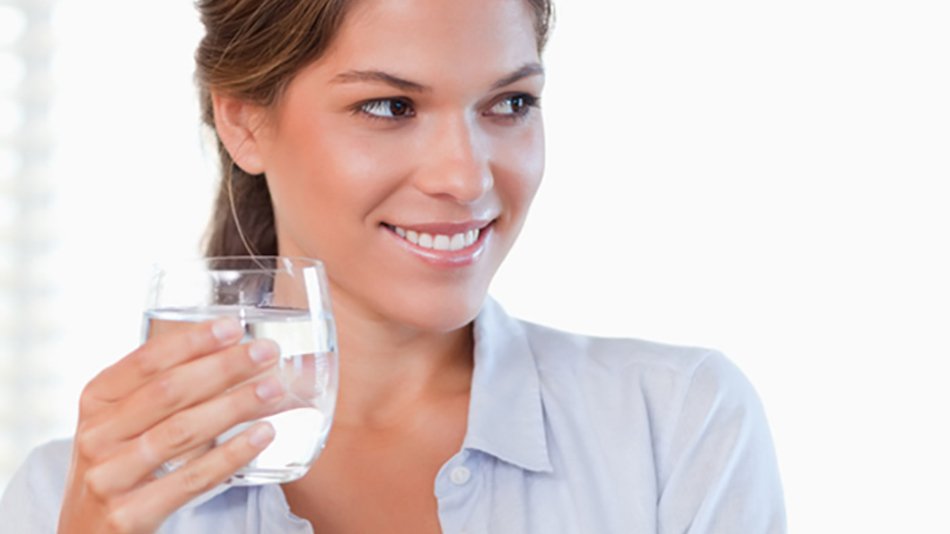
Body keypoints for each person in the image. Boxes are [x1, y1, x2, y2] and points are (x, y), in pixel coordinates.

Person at [0, 0, 787, 532]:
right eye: (389, 107)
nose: (466, 177)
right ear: (243, 121)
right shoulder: (82, 497)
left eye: (509, 103)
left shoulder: (673, 430)